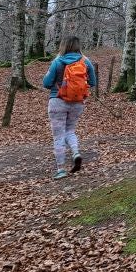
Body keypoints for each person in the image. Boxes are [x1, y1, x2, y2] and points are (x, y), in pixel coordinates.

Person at [42, 36, 97, 179]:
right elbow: (93, 82)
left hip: (57, 101)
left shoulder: (57, 61)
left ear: (63, 46)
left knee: (58, 136)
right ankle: (76, 152)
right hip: (77, 103)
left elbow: (46, 83)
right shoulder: (86, 61)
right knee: (70, 130)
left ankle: (60, 169)